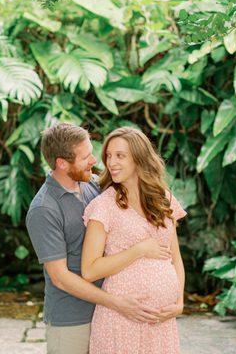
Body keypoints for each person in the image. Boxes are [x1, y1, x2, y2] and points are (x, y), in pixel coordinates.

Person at [25, 123, 167, 354]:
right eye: (85, 157)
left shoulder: (92, 185)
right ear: (62, 163)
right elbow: (60, 278)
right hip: (72, 319)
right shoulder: (44, 209)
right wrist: (116, 302)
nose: (94, 160)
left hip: (108, 315)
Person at [81, 127, 187, 354]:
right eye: (108, 156)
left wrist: (178, 304)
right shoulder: (104, 206)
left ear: (139, 158)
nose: (111, 162)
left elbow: (175, 258)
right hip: (121, 320)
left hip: (161, 323)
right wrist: (139, 250)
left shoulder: (164, 198)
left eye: (120, 155)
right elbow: (89, 270)